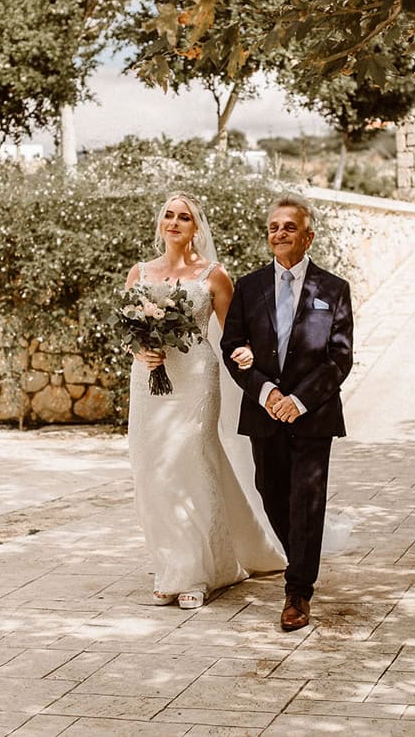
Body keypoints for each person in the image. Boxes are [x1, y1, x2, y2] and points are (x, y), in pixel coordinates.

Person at [125, 192, 285, 610]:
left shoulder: (214, 275)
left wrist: (253, 359)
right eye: (169, 215)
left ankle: (199, 573)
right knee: (152, 470)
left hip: (196, 379)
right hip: (148, 382)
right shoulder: (139, 273)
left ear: (197, 227)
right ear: (160, 223)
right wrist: (140, 352)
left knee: (191, 464)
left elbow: (234, 335)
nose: (174, 223)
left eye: (184, 217)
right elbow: (129, 334)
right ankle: (172, 566)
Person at [221, 192, 354, 630]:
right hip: (264, 413)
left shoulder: (333, 289)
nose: (280, 233)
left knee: (307, 502)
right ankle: (299, 561)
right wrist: (266, 393)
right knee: (271, 493)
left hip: (313, 416)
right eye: (274, 227)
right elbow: (232, 346)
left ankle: (298, 591)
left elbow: (340, 357)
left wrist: (297, 401)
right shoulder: (249, 287)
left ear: (308, 236)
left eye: (289, 227)